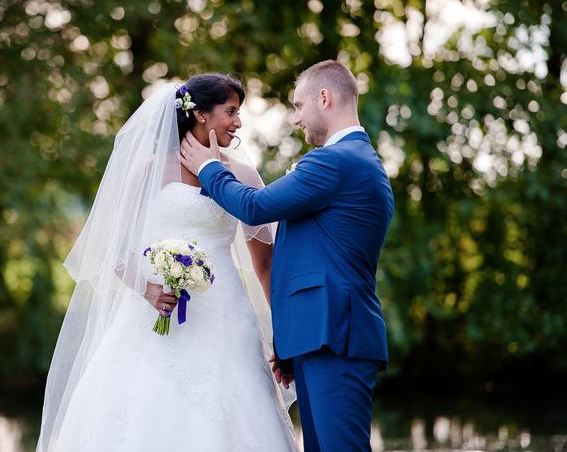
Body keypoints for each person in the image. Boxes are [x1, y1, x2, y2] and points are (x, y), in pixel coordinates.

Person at [36, 74, 297, 452]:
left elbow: (265, 263)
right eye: (231, 111)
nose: (239, 122)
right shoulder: (148, 171)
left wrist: (283, 334)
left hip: (226, 318)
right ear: (201, 114)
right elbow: (116, 250)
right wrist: (149, 290)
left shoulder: (242, 174)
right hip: (153, 318)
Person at [180, 60, 394, 452]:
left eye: (298, 105)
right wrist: (291, 337)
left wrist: (209, 167)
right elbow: (307, 260)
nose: (296, 118)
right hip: (320, 336)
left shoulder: (336, 161)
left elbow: (256, 207)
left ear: (324, 98)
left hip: (336, 337)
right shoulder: (354, 161)